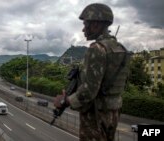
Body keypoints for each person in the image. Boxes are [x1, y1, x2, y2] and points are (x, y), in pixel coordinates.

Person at [54, 3, 131, 141]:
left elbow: (89, 92)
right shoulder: (122, 49)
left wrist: (66, 101)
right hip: (113, 112)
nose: (83, 29)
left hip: (95, 114)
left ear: (95, 24)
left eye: (85, 24)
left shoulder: (96, 49)